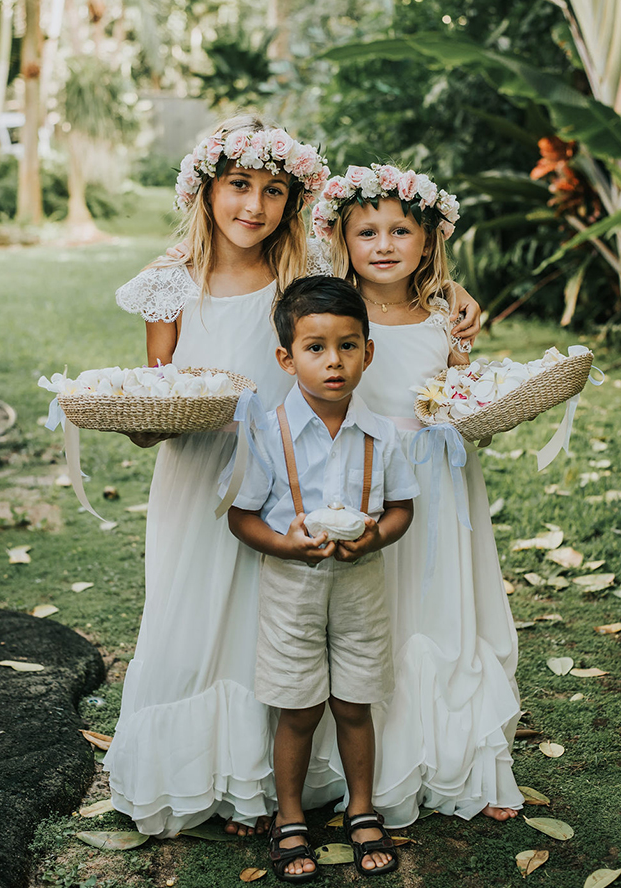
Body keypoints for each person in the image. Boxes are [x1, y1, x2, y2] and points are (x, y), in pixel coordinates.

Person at [105, 112, 481, 839]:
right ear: (204, 190)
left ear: (295, 200)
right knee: (193, 613)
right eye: (238, 186)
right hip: (201, 472)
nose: (254, 207)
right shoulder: (168, 283)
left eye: (274, 191)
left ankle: (270, 782)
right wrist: (144, 418)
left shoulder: (300, 265)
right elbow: (160, 390)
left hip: (291, 473)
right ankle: (199, 775)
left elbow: (379, 274)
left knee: (275, 625)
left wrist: (451, 290)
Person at [307, 164, 524, 825]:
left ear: (428, 242)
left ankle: (452, 754)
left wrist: (462, 356)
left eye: (401, 230)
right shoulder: (333, 312)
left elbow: (459, 397)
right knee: (365, 621)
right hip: (360, 483)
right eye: (366, 230)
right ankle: (352, 762)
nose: (382, 244)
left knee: (437, 613)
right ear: (341, 238)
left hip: (435, 484)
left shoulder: (442, 319)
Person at [225, 275, 419, 880]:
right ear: (287, 357)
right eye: (315, 348)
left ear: (368, 351)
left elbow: (402, 510)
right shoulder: (265, 432)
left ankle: (361, 809)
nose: (333, 361)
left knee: (354, 702)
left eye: (348, 346)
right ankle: (289, 819)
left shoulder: (384, 434)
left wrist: (374, 537)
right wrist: (287, 545)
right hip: (291, 585)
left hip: (362, 584)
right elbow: (240, 516)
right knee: (299, 708)